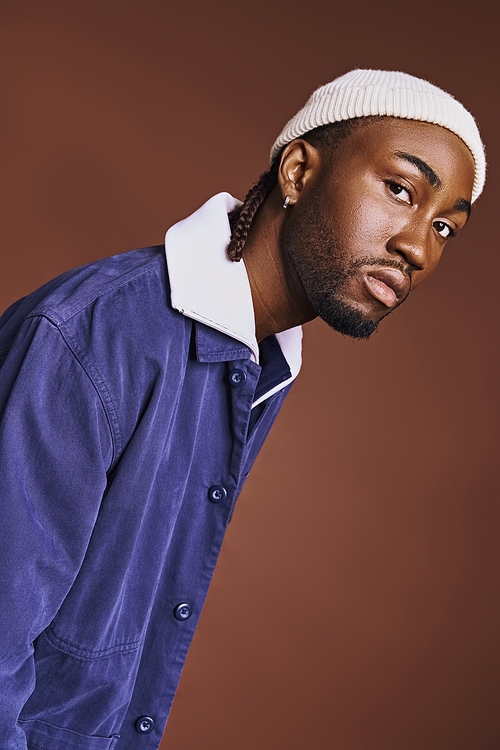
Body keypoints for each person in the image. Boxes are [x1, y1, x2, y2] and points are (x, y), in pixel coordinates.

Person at [0, 69, 485, 750]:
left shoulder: (261, 360)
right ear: (297, 171)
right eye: (399, 190)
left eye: (444, 227)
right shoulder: (94, 338)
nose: (417, 247)